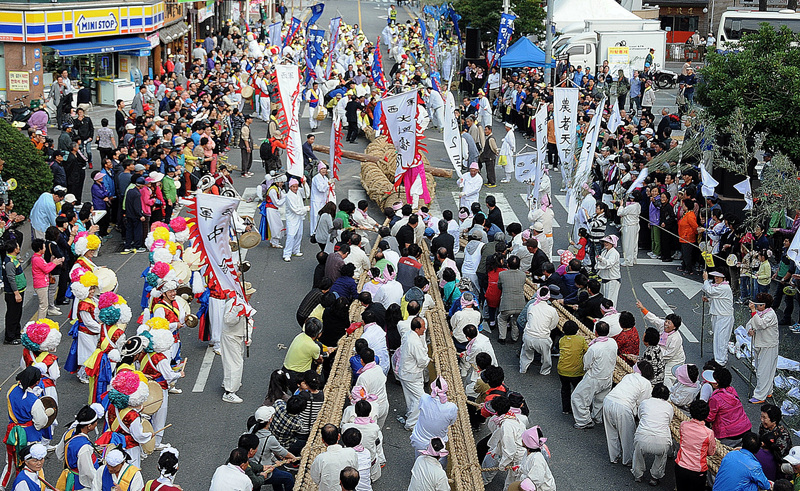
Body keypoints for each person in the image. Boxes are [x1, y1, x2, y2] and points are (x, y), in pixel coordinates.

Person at [602, 361, 654, 467]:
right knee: (627, 436)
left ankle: (614, 457)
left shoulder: (629, 376)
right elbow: (642, 403)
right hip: (623, 407)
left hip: (608, 400)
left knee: (611, 432)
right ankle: (628, 459)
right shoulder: (646, 384)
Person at [571, 321, 618, 429]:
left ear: (596, 332)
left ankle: (584, 420)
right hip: (608, 376)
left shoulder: (594, 348)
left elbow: (587, 364)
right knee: (600, 399)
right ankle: (597, 417)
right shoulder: (612, 342)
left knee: (578, 397)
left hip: (594, 377)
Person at [632, 384, 674, 486]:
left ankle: (638, 475)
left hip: (642, 437)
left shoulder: (645, 403)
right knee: (661, 456)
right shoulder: (669, 406)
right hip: (662, 441)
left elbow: (640, 416)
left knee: (638, 454)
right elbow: (669, 421)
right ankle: (654, 477)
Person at [222, 285, 256, 403]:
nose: (251, 295)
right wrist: (238, 312)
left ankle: (230, 381)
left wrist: (248, 336)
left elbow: (249, 321)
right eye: (249, 293)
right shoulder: (232, 304)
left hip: (239, 336)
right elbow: (228, 320)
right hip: (231, 336)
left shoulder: (245, 304)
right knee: (235, 363)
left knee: (234, 361)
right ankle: (229, 391)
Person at [410, 377, 458, 458]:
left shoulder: (424, 398)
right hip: (438, 445)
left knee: (419, 460)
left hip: (419, 441)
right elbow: (451, 422)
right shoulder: (451, 407)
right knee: (438, 465)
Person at [674, 400, 717, 490]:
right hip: (697, 471)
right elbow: (711, 452)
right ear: (706, 414)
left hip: (681, 466)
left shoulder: (683, 425)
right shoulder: (708, 433)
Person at [397, 317, 430, 430]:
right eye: (423, 327)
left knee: (410, 396)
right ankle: (411, 423)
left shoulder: (407, 335)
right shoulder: (414, 342)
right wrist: (428, 359)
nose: (425, 329)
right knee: (420, 398)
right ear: (417, 329)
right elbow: (422, 362)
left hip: (405, 371)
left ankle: (410, 413)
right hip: (412, 374)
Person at [706, 367, 752, 446]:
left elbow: (710, 417)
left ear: (716, 384)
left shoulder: (716, 399)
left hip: (730, 434)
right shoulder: (732, 390)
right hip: (745, 428)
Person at [747, 292, 779, 403]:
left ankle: (760, 395)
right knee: (760, 368)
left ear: (765, 305)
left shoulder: (770, 315)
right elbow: (751, 323)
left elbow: (760, 324)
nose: (756, 307)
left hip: (768, 345)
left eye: (759, 305)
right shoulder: (759, 313)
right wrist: (750, 330)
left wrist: (753, 311)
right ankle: (768, 390)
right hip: (759, 343)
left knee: (763, 371)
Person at [520, 287, 560, 375]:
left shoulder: (531, 306)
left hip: (528, 336)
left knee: (526, 354)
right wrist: (546, 329)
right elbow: (553, 324)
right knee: (546, 357)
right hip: (543, 338)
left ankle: (523, 369)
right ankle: (544, 371)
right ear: (548, 297)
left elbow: (528, 319)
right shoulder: (552, 310)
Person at [310, 424, 358, 491]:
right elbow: (354, 470)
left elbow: (315, 478)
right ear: (338, 436)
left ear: (322, 440)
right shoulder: (351, 452)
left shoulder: (320, 458)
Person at [703, 270, 735, 365]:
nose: (716, 279)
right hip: (717, 315)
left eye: (718, 277)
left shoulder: (725, 287)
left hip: (724, 317)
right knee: (717, 338)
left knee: (721, 339)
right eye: (715, 277)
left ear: (724, 278)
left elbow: (709, 291)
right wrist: (709, 300)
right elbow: (715, 297)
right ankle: (719, 358)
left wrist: (705, 279)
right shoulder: (719, 286)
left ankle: (720, 362)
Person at [496, 255, 527, 344]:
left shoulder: (502, 274)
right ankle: (514, 338)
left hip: (506, 304)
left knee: (502, 318)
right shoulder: (523, 275)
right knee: (515, 320)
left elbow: (499, 286)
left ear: (508, 265)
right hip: (520, 303)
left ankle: (502, 337)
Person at [517, 426, 555, 491]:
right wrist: (519, 468)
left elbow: (534, 481)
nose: (522, 439)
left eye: (524, 438)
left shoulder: (537, 459)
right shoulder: (528, 453)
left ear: (528, 442)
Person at [3, 240, 26, 345]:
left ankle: (16, 333)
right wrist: (16, 293)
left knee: (17, 313)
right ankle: (9, 337)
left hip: (19, 291)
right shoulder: (9, 263)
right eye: (17, 246)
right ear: (14, 249)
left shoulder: (13, 259)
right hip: (13, 293)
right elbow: (11, 279)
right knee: (12, 315)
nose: (19, 247)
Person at [283, 178, 307, 262]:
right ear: (290, 187)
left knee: (299, 234)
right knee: (291, 235)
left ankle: (296, 250)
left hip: (299, 217)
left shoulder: (299, 192)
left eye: (296, 186)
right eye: (293, 186)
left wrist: (304, 183)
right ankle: (287, 253)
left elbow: (306, 193)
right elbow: (295, 210)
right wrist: (305, 209)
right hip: (292, 218)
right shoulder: (289, 196)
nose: (295, 188)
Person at [595, 235, 621, 305]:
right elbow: (600, 264)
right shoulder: (604, 252)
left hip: (612, 279)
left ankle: (612, 314)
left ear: (612, 244)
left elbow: (609, 264)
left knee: (610, 301)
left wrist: (601, 259)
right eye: (605, 242)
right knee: (605, 299)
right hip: (604, 278)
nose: (605, 244)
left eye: (608, 243)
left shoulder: (614, 253)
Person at [616, 194, 641, 266]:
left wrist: (621, 205)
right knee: (634, 244)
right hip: (635, 225)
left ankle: (628, 261)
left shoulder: (631, 207)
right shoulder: (638, 205)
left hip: (629, 226)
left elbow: (620, 213)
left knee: (628, 244)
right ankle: (633, 259)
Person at [310, 163, 334, 237]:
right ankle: (313, 232)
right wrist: (328, 184)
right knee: (315, 216)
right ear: (319, 170)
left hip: (323, 200)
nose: (323, 170)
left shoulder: (325, 178)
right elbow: (321, 189)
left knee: (321, 216)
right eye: (322, 169)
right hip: (316, 201)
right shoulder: (316, 178)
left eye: (325, 168)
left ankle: (319, 231)